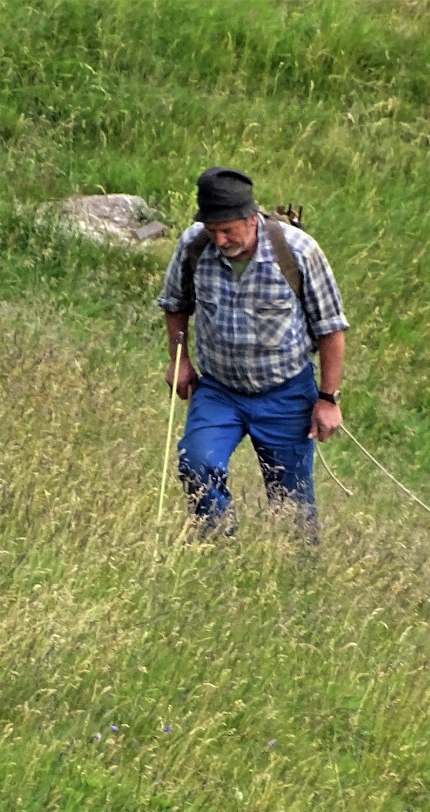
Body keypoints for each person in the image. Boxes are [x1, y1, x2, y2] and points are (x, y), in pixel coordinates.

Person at [157, 166, 348, 535]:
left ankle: (297, 573)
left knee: (291, 504)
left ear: (252, 217)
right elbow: (175, 303)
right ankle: (217, 546)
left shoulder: (297, 251)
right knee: (196, 462)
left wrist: (328, 399)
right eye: (213, 231)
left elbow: (332, 329)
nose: (220, 239)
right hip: (218, 390)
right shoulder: (194, 246)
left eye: (229, 230)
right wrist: (178, 361)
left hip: (286, 394)